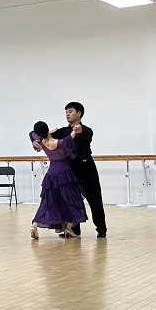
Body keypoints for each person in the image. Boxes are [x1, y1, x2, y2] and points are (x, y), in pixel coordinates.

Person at [52, 102, 107, 238]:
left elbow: (84, 137)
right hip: (70, 169)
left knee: (94, 199)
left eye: (70, 111)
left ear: (79, 114)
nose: (67, 114)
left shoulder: (87, 130)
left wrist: (78, 131)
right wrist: (35, 140)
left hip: (86, 168)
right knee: (72, 200)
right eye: (66, 112)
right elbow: (39, 134)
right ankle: (74, 229)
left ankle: (101, 228)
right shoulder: (63, 132)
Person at [29, 121, 88, 240]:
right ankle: (68, 228)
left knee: (48, 202)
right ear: (47, 129)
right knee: (74, 200)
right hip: (64, 174)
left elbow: (32, 133)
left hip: (51, 175)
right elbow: (70, 138)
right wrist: (74, 130)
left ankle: (34, 225)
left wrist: (46, 133)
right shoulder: (60, 142)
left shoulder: (41, 143)